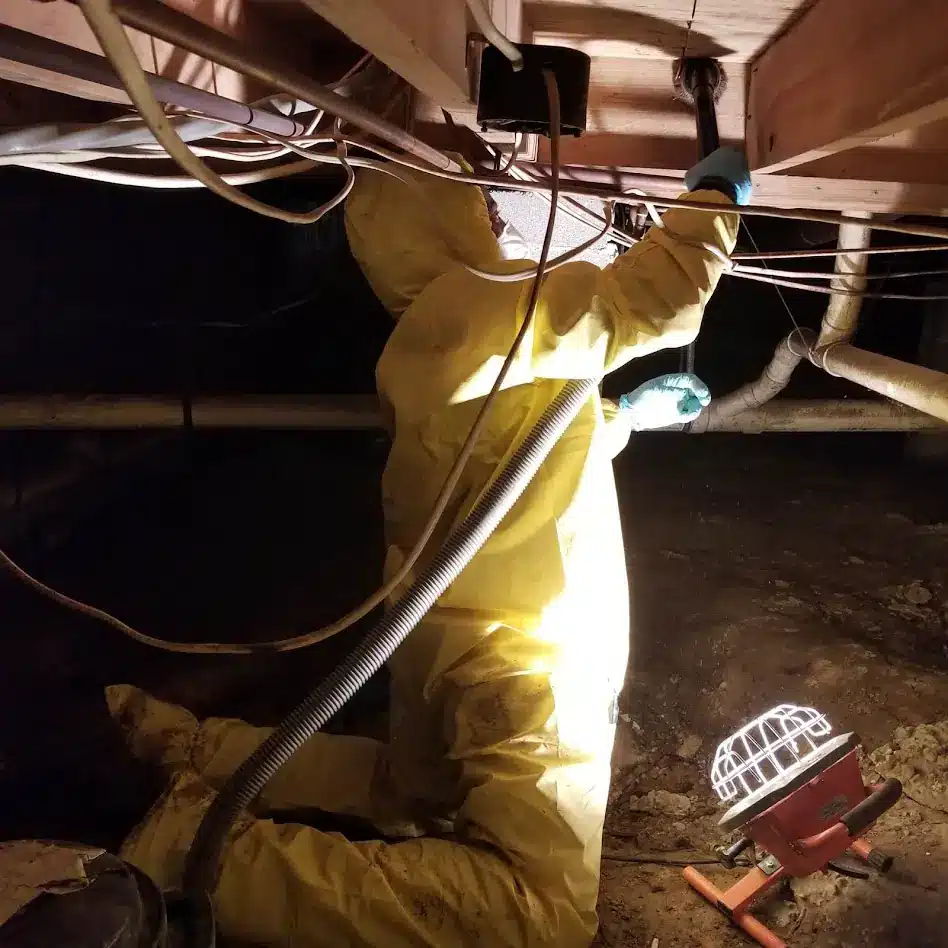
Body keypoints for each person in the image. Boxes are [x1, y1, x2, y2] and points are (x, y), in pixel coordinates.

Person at [105, 146, 750, 947]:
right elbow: (663, 299)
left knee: (416, 796)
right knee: (543, 913)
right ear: (456, 227)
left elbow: (515, 456)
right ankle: (209, 860)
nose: (503, 214)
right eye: (484, 201)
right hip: (523, 670)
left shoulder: (441, 334)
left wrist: (622, 418)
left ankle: (183, 744)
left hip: (454, 639)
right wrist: (715, 196)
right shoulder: (490, 311)